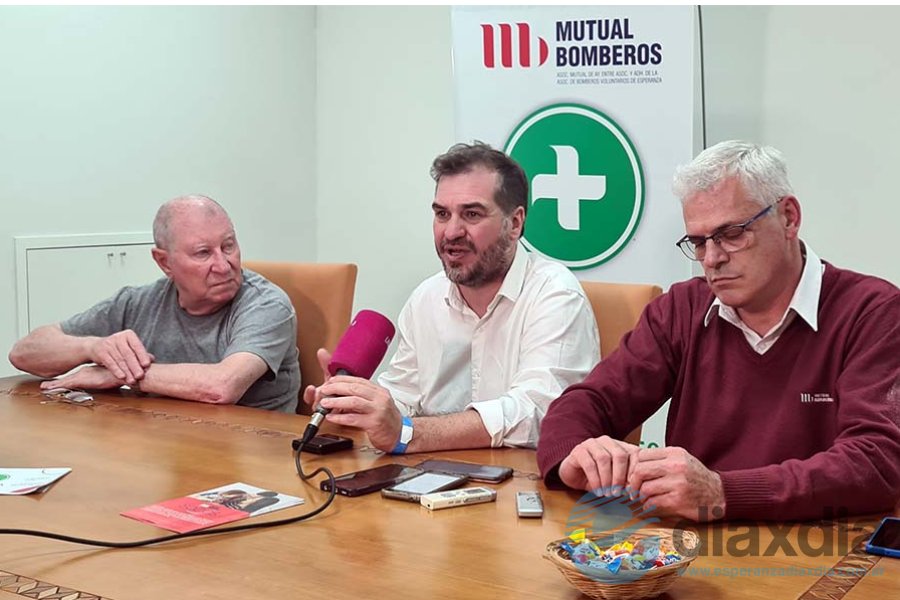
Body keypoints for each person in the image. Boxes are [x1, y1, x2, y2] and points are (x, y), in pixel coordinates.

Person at [537, 140, 900, 522]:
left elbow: (877, 461)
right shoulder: (682, 309)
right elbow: (586, 402)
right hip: (692, 544)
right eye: (698, 242)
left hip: (816, 544)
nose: (712, 259)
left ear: (789, 218)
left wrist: (724, 492)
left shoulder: (872, 313)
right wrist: (575, 453)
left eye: (732, 233)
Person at [304, 142, 600, 453]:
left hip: (524, 476)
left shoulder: (555, 295)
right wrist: (356, 407)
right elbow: (403, 399)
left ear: (514, 223)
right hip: (429, 473)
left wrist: (409, 434)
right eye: (442, 214)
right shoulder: (426, 297)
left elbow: (539, 414)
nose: (451, 232)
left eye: (471, 214)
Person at [8, 195, 300, 412]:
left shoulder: (267, 304)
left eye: (228, 246)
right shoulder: (138, 302)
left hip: (253, 454)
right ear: (164, 262)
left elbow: (221, 386)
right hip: (166, 447)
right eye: (203, 253)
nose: (224, 265)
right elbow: (23, 354)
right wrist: (92, 348)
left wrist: (116, 373)